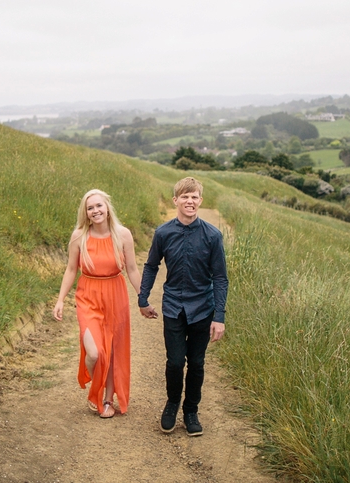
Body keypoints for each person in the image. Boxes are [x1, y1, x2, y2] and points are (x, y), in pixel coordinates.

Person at [138, 177, 228, 436]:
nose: (190, 201)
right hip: (174, 307)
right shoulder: (163, 233)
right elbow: (151, 265)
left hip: (203, 307)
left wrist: (219, 316)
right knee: (176, 362)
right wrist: (143, 299)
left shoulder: (212, 235)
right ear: (175, 200)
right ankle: (172, 404)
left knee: (197, 363)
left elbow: (220, 277)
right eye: (185, 197)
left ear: (201, 200)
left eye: (195, 197)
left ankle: (191, 411)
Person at [53, 189, 142, 418]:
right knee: (94, 353)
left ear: (107, 207)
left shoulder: (123, 235)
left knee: (112, 351)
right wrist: (60, 300)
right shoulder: (78, 236)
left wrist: (143, 298)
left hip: (115, 293)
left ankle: (108, 400)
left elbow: (132, 269)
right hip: (88, 295)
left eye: (98, 206)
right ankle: (97, 385)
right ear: (86, 213)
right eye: (90, 208)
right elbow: (71, 269)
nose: (95, 211)